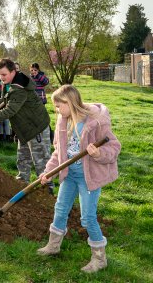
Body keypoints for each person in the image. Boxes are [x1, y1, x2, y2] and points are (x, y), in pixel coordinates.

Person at [37, 85, 121, 273]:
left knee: (88, 217)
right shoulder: (63, 121)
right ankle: (53, 245)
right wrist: (48, 171)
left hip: (88, 176)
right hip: (70, 174)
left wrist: (98, 152)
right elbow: (59, 152)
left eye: (59, 106)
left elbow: (114, 148)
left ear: (70, 102)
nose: (56, 110)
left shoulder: (96, 122)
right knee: (60, 209)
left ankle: (99, 259)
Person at [0, 58, 53, 190]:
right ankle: (21, 186)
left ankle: (47, 193)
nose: (1, 78)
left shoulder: (20, 88)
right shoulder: (9, 83)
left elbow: (10, 110)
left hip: (36, 128)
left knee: (41, 162)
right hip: (23, 128)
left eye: (4, 74)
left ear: (13, 71)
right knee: (23, 159)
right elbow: (5, 99)